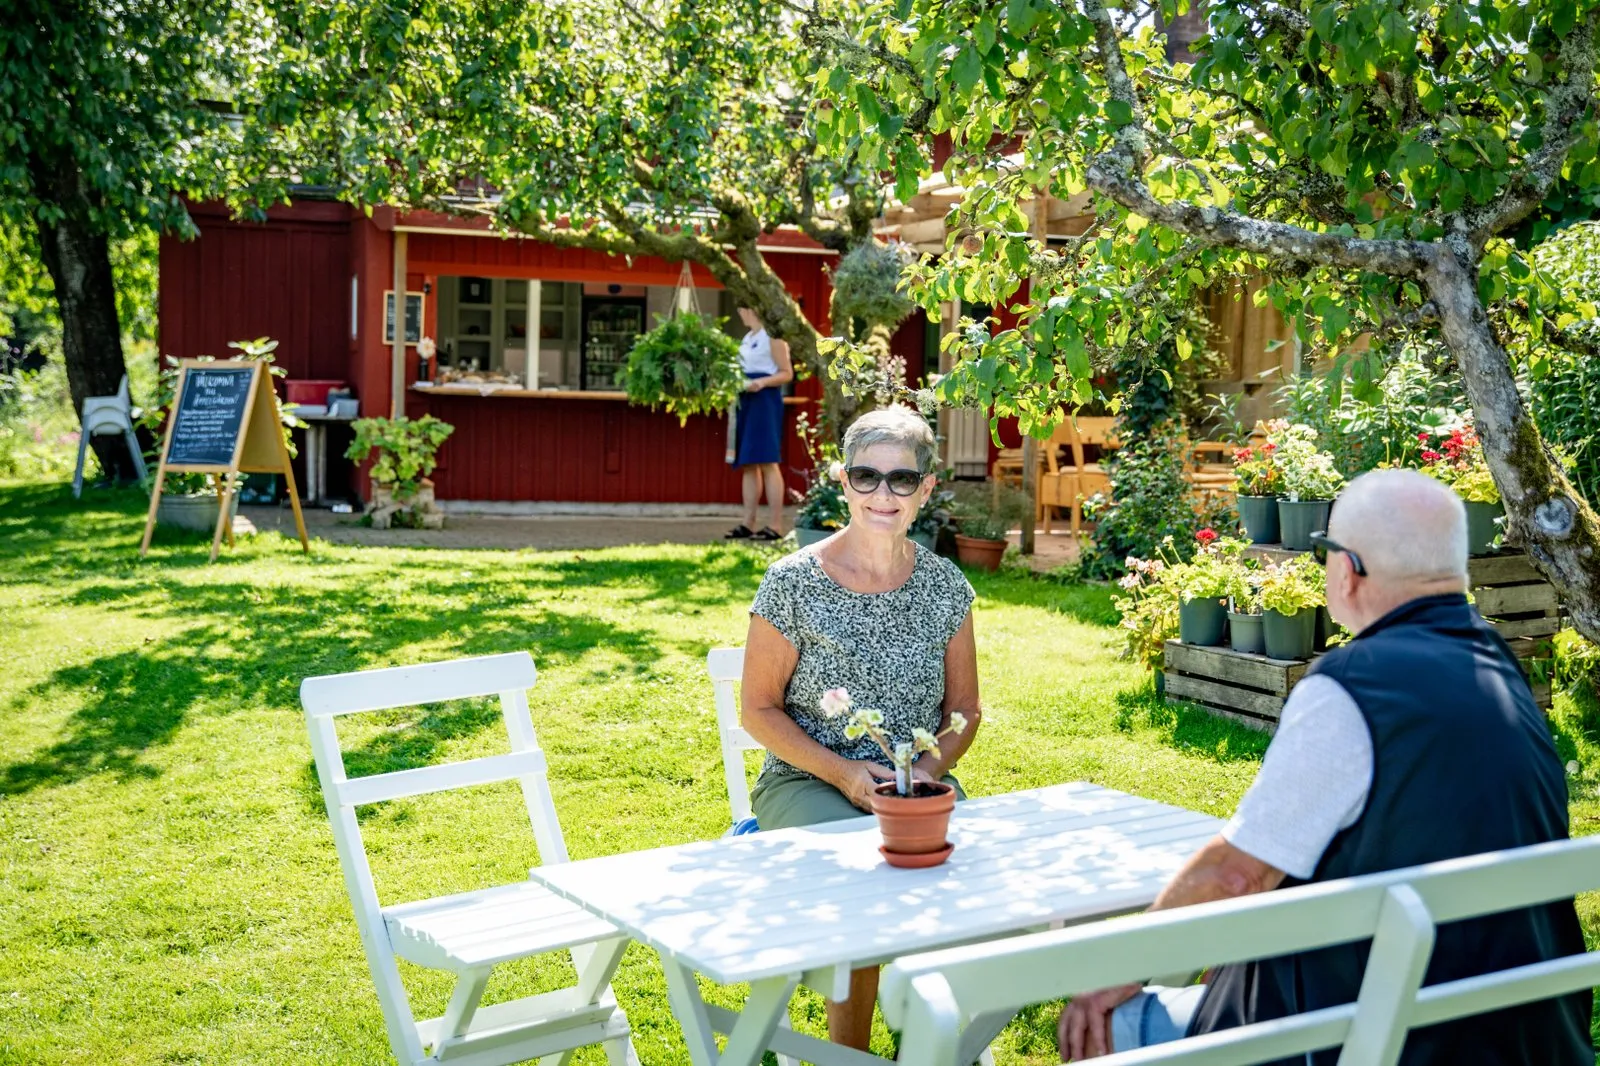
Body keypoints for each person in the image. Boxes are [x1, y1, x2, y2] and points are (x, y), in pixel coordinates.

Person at [1059, 468, 1592, 1064]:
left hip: (1380, 1039)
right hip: (1522, 1036)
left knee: (1106, 1025)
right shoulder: (1499, 668)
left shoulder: (1352, 688)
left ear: (1348, 569)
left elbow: (1236, 877)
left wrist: (1114, 969)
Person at [741, 405, 982, 1051]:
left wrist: (924, 774)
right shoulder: (793, 582)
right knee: (866, 886)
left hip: (918, 788)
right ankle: (849, 1057)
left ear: (926, 488)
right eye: (866, 476)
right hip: (808, 782)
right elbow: (757, 709)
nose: (883, 494)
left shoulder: (945, 586)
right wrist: (845, 774)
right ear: (843, 482)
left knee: (979, 886)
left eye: (902, 479)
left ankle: (927, 1049)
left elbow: (964, 711)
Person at [723, 306, 794, 541]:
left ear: (751, 309)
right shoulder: (748, 338)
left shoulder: (772, 335)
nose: (739, 313)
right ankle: (748, 522)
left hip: (764, 400)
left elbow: (786, 373)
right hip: (745, 399)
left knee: (767, 461)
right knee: (748, 463)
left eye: (742, 308)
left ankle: (775, 525)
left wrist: (761, 383)